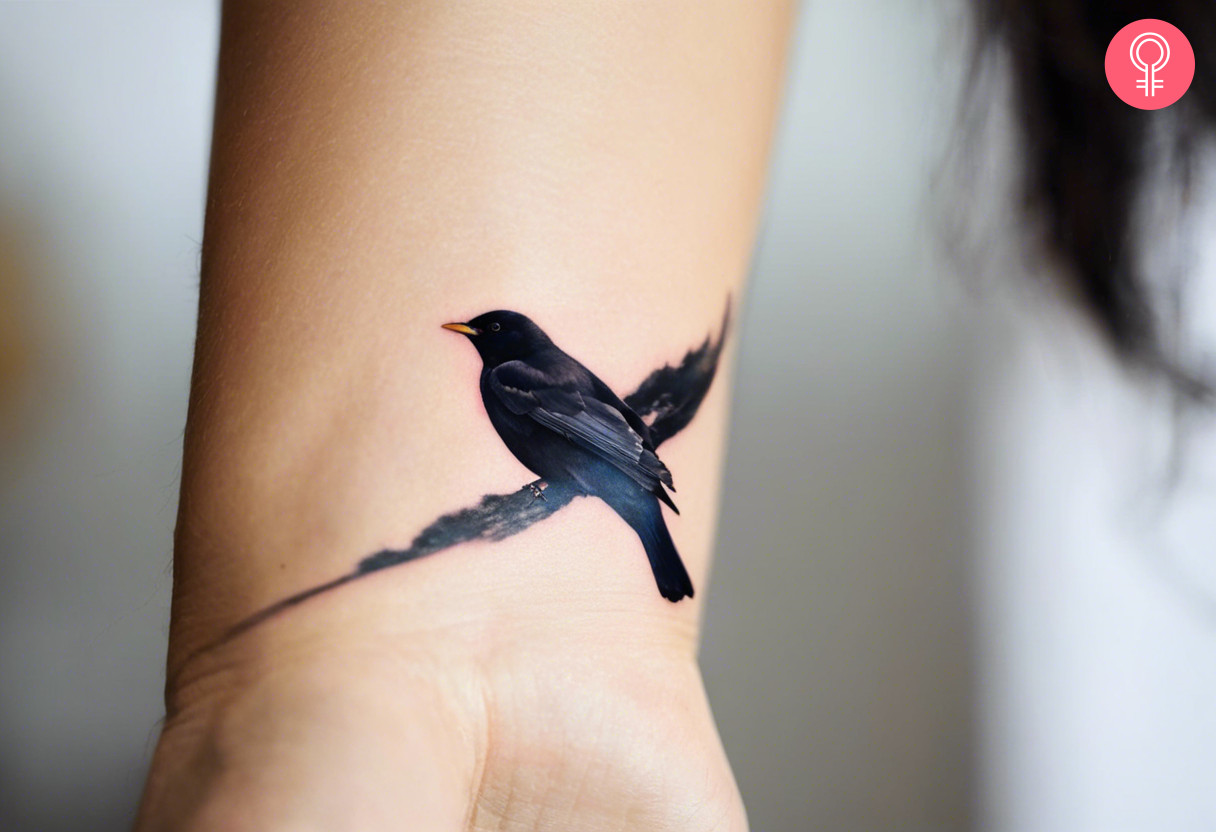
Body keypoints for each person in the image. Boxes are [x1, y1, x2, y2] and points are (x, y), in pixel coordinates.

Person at [134, 3, 794, 830]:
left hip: (604, 465)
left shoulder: (513, 375)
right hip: (612, 466)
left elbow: (585, 424)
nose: (472, 340)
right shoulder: (543, 367)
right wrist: (314, 679)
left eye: (481, 331)